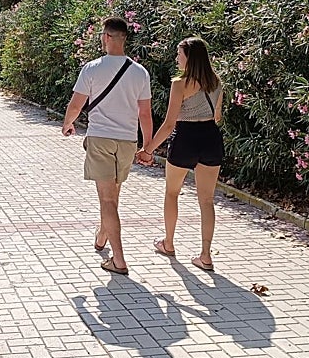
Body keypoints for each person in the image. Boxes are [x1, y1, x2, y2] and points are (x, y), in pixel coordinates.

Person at [62, 17, 153, 276]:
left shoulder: (92, 68)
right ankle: (102, 235)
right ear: (124, 38)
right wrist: (147, 147)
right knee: (113, 197)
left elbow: (77, 104)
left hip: (100, 138)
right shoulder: (139, 72)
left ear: (106, 37)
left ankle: (119, 259)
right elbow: (145, 114)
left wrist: (68, 124)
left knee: (107, 198)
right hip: (127, 141)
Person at [137, 37, 224, 272]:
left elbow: (168, 124)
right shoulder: (217, 82)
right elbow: (218, 117)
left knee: (172, 193)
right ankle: (205, 255)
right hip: (211, 139)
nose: (177, 58)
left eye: (179, 54)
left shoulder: (179, 84)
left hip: (185, 138)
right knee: (206, 200)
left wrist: (148, 150)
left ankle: (169, 243)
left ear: (190, 57)